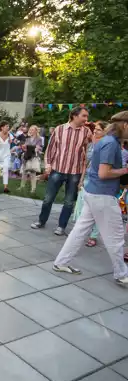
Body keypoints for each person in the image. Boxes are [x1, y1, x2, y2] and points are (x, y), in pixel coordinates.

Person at [52, 111, 128, 287]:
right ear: (125, 125)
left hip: (92, 193)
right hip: (102, 196)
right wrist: (125, 171)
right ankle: (122, 274)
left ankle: (61, 262)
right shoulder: (111, 144)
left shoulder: (107, 141)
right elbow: (104, 173)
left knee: (80, 231)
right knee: (116, 237)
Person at [31, 107, 92, 235]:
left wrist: (83, 173)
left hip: (75, 172)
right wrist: (48, 165)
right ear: (74, 116)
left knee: (69, 202)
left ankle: (61, 226)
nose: (86, 119)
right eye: (84, 116)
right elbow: (51, 148)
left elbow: (89, 153)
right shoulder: (59, 129)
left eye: (87, 116)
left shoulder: (86, 132)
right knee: (48, 198)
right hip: (57, 169)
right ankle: (41, 221)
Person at [71, 121, 108, 247]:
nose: (95, 132)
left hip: (99, 181)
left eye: (98, 129)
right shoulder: (91, 145)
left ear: (105, 131)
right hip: (87, 178)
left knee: (96, 210)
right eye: (95, 129)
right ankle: (80, 233)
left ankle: (93, 235)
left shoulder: (108, 146)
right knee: (82, 208)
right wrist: (81, 180)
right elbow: (85, 163)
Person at [0, 121, 12, 193]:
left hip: (6, 155)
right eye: (6, 126)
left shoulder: (10, 135)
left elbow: (15, 142)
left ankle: (5, 187)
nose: (8, 128)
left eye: (8, 126)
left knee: (5, 169)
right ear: (2, 127)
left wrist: (11, 142)